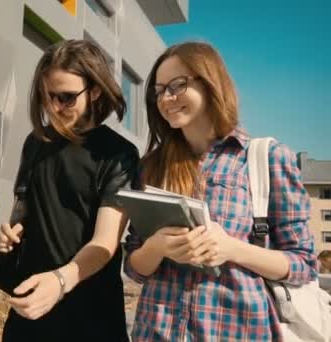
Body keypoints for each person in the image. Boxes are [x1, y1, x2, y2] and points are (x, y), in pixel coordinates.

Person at [124, 41, 318, 341]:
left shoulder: (266, 157)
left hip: (238, 331)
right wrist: (158, 247)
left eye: (177, 85)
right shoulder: (150, 167)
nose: (167, 98)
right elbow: (134, 268)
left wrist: (231, 248)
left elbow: (304, 264)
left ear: (210, 82)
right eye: (160, 90)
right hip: (156, 330)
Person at [0, 39, 140, 342]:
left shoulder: (118, 153)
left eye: (67, 97)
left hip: (91, 315)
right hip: (30, 308)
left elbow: (105, 242)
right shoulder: (36, 143)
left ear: (95, 90)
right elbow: (22, 213)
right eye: (49, 96)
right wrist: (6, 236)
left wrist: (60, 281)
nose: (56, 106)